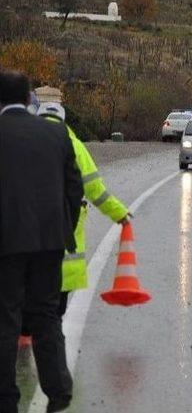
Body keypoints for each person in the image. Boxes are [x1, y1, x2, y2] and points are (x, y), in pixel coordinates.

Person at [0, 71, 83, 413]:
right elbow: (74, 188)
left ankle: (6, 398)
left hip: (6, 244)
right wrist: (64, 232)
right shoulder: (57, 133)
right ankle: (59, 390)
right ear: (29, 98)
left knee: (6, 318)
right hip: (49, 242)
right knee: (46, 315)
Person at [34, 102, 130, 319]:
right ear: (63, 121)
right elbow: (96, 190)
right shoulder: (75, 146)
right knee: (53, 315)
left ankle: (23, 343)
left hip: (27, 245)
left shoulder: (24, 144)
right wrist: (120, 214)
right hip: (64, 250)